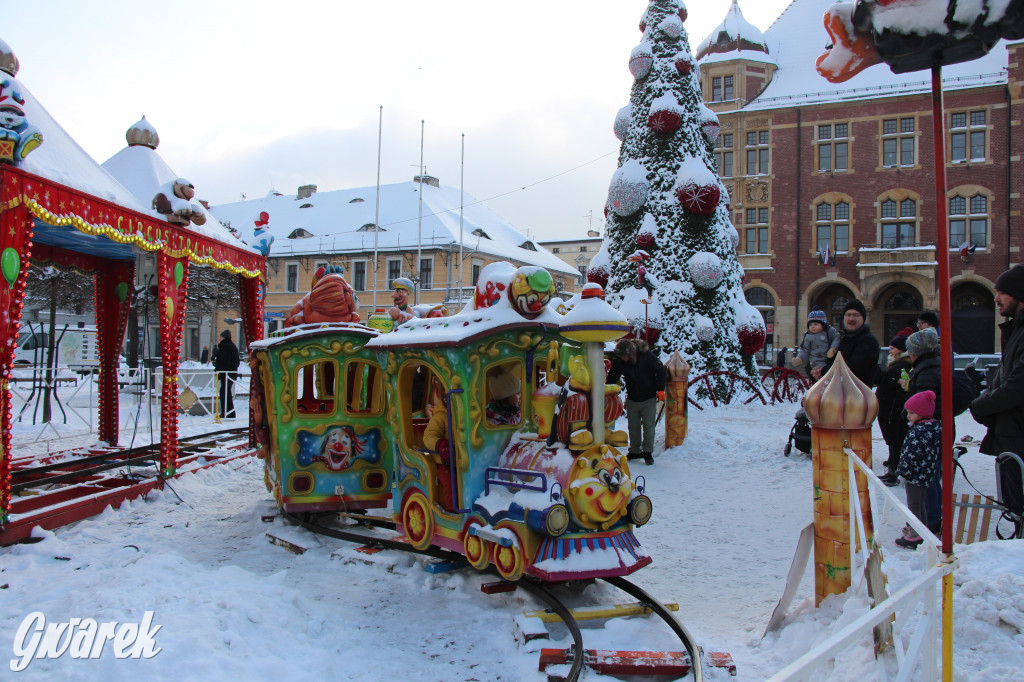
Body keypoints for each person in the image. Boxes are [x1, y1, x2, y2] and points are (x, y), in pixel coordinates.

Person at [969, 264, 1024, 517]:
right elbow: (1004, 376)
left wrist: (980, 405)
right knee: (1015, 510)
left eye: (1002, 292)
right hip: (1011, 436)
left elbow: (1016, 386)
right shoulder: (1016, 330)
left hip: (1018, 437)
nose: (996, 298)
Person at [903, 326, 943, 533]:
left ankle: (929, 522)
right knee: (933, 476)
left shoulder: (926, 371)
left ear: (916, 351)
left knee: (927, 480)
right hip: (936, 430)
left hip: (929, 433)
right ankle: (933, 518)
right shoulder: (932, 366)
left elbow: (922, 402)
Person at [607, 337, 666, 465]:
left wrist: (660, 389)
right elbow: (613, 375)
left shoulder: (646, 356)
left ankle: (647, 452)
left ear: (630, 353)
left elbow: (661, 369)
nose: (623, 359)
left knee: (648, 426)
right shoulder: (620, 361)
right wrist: (607, 390)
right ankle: (634, 451)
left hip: (648, 397)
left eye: (624, 356)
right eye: (621, 357)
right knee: (633, 427)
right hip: (632, 398)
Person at [895, 390, 942, 549]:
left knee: (914, 504)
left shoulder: (918, 431)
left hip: (915, 474)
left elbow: (910, 454)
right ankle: (922, 529)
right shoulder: (933, 428)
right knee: (921, 503)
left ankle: (915, 535)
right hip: (926, 473)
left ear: (922, 413)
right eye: (908, 412)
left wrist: (903, 473)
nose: (908, 415)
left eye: (912, 412)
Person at [877, 327, 914, 486]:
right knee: (893, 440)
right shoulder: (897, 364)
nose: (890, 350)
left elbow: (887, 383)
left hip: (893, 409)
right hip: (888, 408)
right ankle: (893, 464)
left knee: (895, 440)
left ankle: (894, 471)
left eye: (892, 348)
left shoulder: (901, 366)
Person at [824, 300, 880, 386]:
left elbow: (853, 369)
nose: (851, 318)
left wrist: (824, 371)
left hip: (857, 394)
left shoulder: (868, 341)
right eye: (848, 315)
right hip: (836, 392)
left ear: (863, 318)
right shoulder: (840, 339)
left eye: (856, 315)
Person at [791, 306, 839, 381]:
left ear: (823, 324)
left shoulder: (829, 331)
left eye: (816, 324)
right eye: (810, 325)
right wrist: (800, 358)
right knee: (816, 375)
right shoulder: (808, 336)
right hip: (814, 361)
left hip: (828, 360)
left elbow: (837, 337)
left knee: (825, 376)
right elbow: (804, 349)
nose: (812, 327)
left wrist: (833, 348)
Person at [214, 329, 240, 418]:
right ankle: (228, 412)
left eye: (221, 337)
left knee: (225, 393)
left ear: (224, 337)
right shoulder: (230, 346)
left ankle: (228, 413)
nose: (219, 339)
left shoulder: (226, 347)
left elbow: (225, 361)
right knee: (225, 392)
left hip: (227, 374)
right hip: (229, 373)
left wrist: (220, 370)